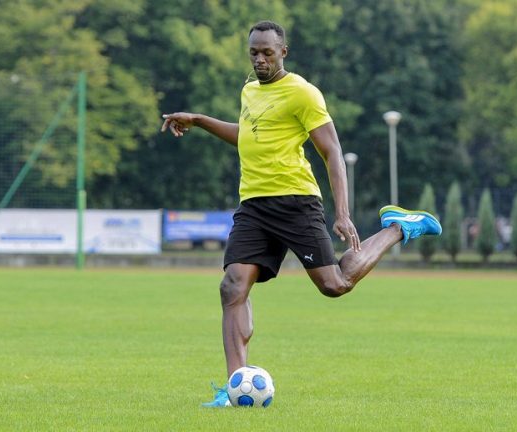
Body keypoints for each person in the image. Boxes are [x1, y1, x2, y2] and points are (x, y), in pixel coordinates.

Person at [160, 20, 442, 407]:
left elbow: (331, 151)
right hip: (253, 204)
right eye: (254, 53)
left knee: (335, 284)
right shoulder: (249, 90)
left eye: (267, 53)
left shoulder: (303, 93)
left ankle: (398, 228)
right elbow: (247, 136)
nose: (260, 60)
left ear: (283, 52)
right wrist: (199, 120)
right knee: (232, 287)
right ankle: (235, 385)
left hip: (295, 202)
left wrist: (342, 212)